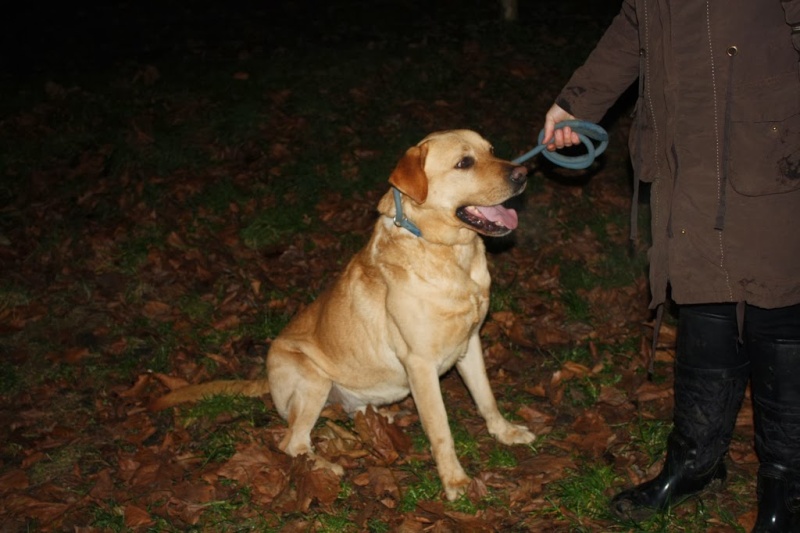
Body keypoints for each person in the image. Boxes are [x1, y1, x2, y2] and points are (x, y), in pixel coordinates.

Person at [540, 1, 800, 531]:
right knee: (703, 301)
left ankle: (787, 487)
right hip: (688, 149)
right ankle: (695, 464)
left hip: (770, 140)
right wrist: (577, 103)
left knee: (777, 308)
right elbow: (637, 18)